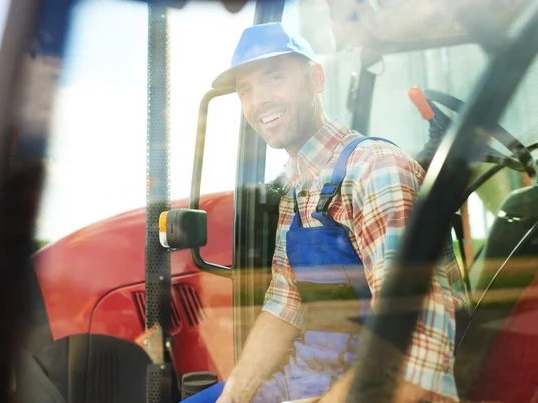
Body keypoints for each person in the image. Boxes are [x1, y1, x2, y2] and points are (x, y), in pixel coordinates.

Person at [183, 22, 468, 403]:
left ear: (316, 79)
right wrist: (234, 394)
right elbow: (285, 305)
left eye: (274, 78)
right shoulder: (298, 188)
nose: (258, 101)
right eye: (245, 90)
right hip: (305, 383)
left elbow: (413, 348)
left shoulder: (376, 170)